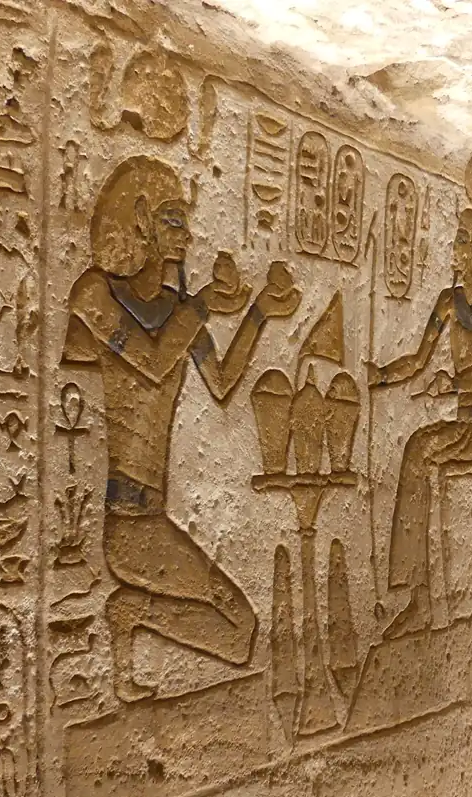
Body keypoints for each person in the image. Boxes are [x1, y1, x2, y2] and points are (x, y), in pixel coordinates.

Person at [62, 156, 302, 702]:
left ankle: (132, 613)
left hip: (153, 519)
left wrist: (259, 313)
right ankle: (130, 615)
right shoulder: (93, 295)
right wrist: (202, 307)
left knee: (240, 633)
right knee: (240, 628)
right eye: (173, 219)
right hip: (125, 525)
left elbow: (221, 381)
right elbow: (150, 360)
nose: (187, 235)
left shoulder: (176, 309)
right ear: (140, 221)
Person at [367, 207, 472, 640]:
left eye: (463, 239)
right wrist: (381, 375)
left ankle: (422, 598)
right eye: (456, 238)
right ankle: (416, 593)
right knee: (418, 448)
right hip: (459, 425)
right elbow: (418, 360)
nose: (455, 247)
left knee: (420, 450)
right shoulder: (447, 302)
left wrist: (452, 382)